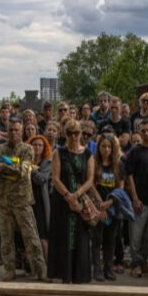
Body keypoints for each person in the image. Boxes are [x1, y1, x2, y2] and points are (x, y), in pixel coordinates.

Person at [0, 120, 49, 282]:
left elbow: (24, 170)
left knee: (31, 237)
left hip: (22, 200)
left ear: (21, 132)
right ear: (7, 131)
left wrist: (4, 165)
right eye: (11, 130)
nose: (14, 133)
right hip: (3, 200)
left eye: (17, 130)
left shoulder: (27, 149)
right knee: (6, 239)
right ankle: (9, 270)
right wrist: (3, 168)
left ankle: (41, 270)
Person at [48, 120, 95, 283]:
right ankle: (65, 274)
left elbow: (90, 180)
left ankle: (79, 276)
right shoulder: (58, 153)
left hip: (81, 201)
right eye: (69, 133)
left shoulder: (88, 153)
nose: (73, 136)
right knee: (64, 238)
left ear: (81, 133)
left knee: (81, 238)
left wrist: (77, 195)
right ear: (65, 134)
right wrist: (68, 196)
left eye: (76, 133)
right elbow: (55, 178)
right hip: (62, 202)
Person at [124, 120, 148, 277]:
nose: (146, 133)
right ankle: (135, 264)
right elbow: (129, 176)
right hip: (140, 200)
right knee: (136, 236)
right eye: (143, 130)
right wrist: (135, 198)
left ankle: (144, 262)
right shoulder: (134, 151)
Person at [90, 133, 123, 281]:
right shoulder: (94, 163)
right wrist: (100, 205)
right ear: (99, 147)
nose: (106, 149)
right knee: (97, 239)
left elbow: (120, 188)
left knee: (110, 239)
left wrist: (109, 203)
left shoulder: (118, 165)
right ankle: (96, 269)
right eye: (103, 146)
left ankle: (108, 268)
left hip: (113, 206)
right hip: (97, 206)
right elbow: (90, 184)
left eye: (109, 146)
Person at [28, 134, 53, 265]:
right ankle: (34, 266)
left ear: (44, 148)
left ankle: (48, 265)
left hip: (41, 201)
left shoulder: (48, 162)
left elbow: (42, 179)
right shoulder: (25, 160)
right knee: (30, 235)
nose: (37, 147)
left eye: (40, 145)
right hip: (27, 200)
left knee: (43, 234)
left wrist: (30, 169)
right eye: (34, 145)